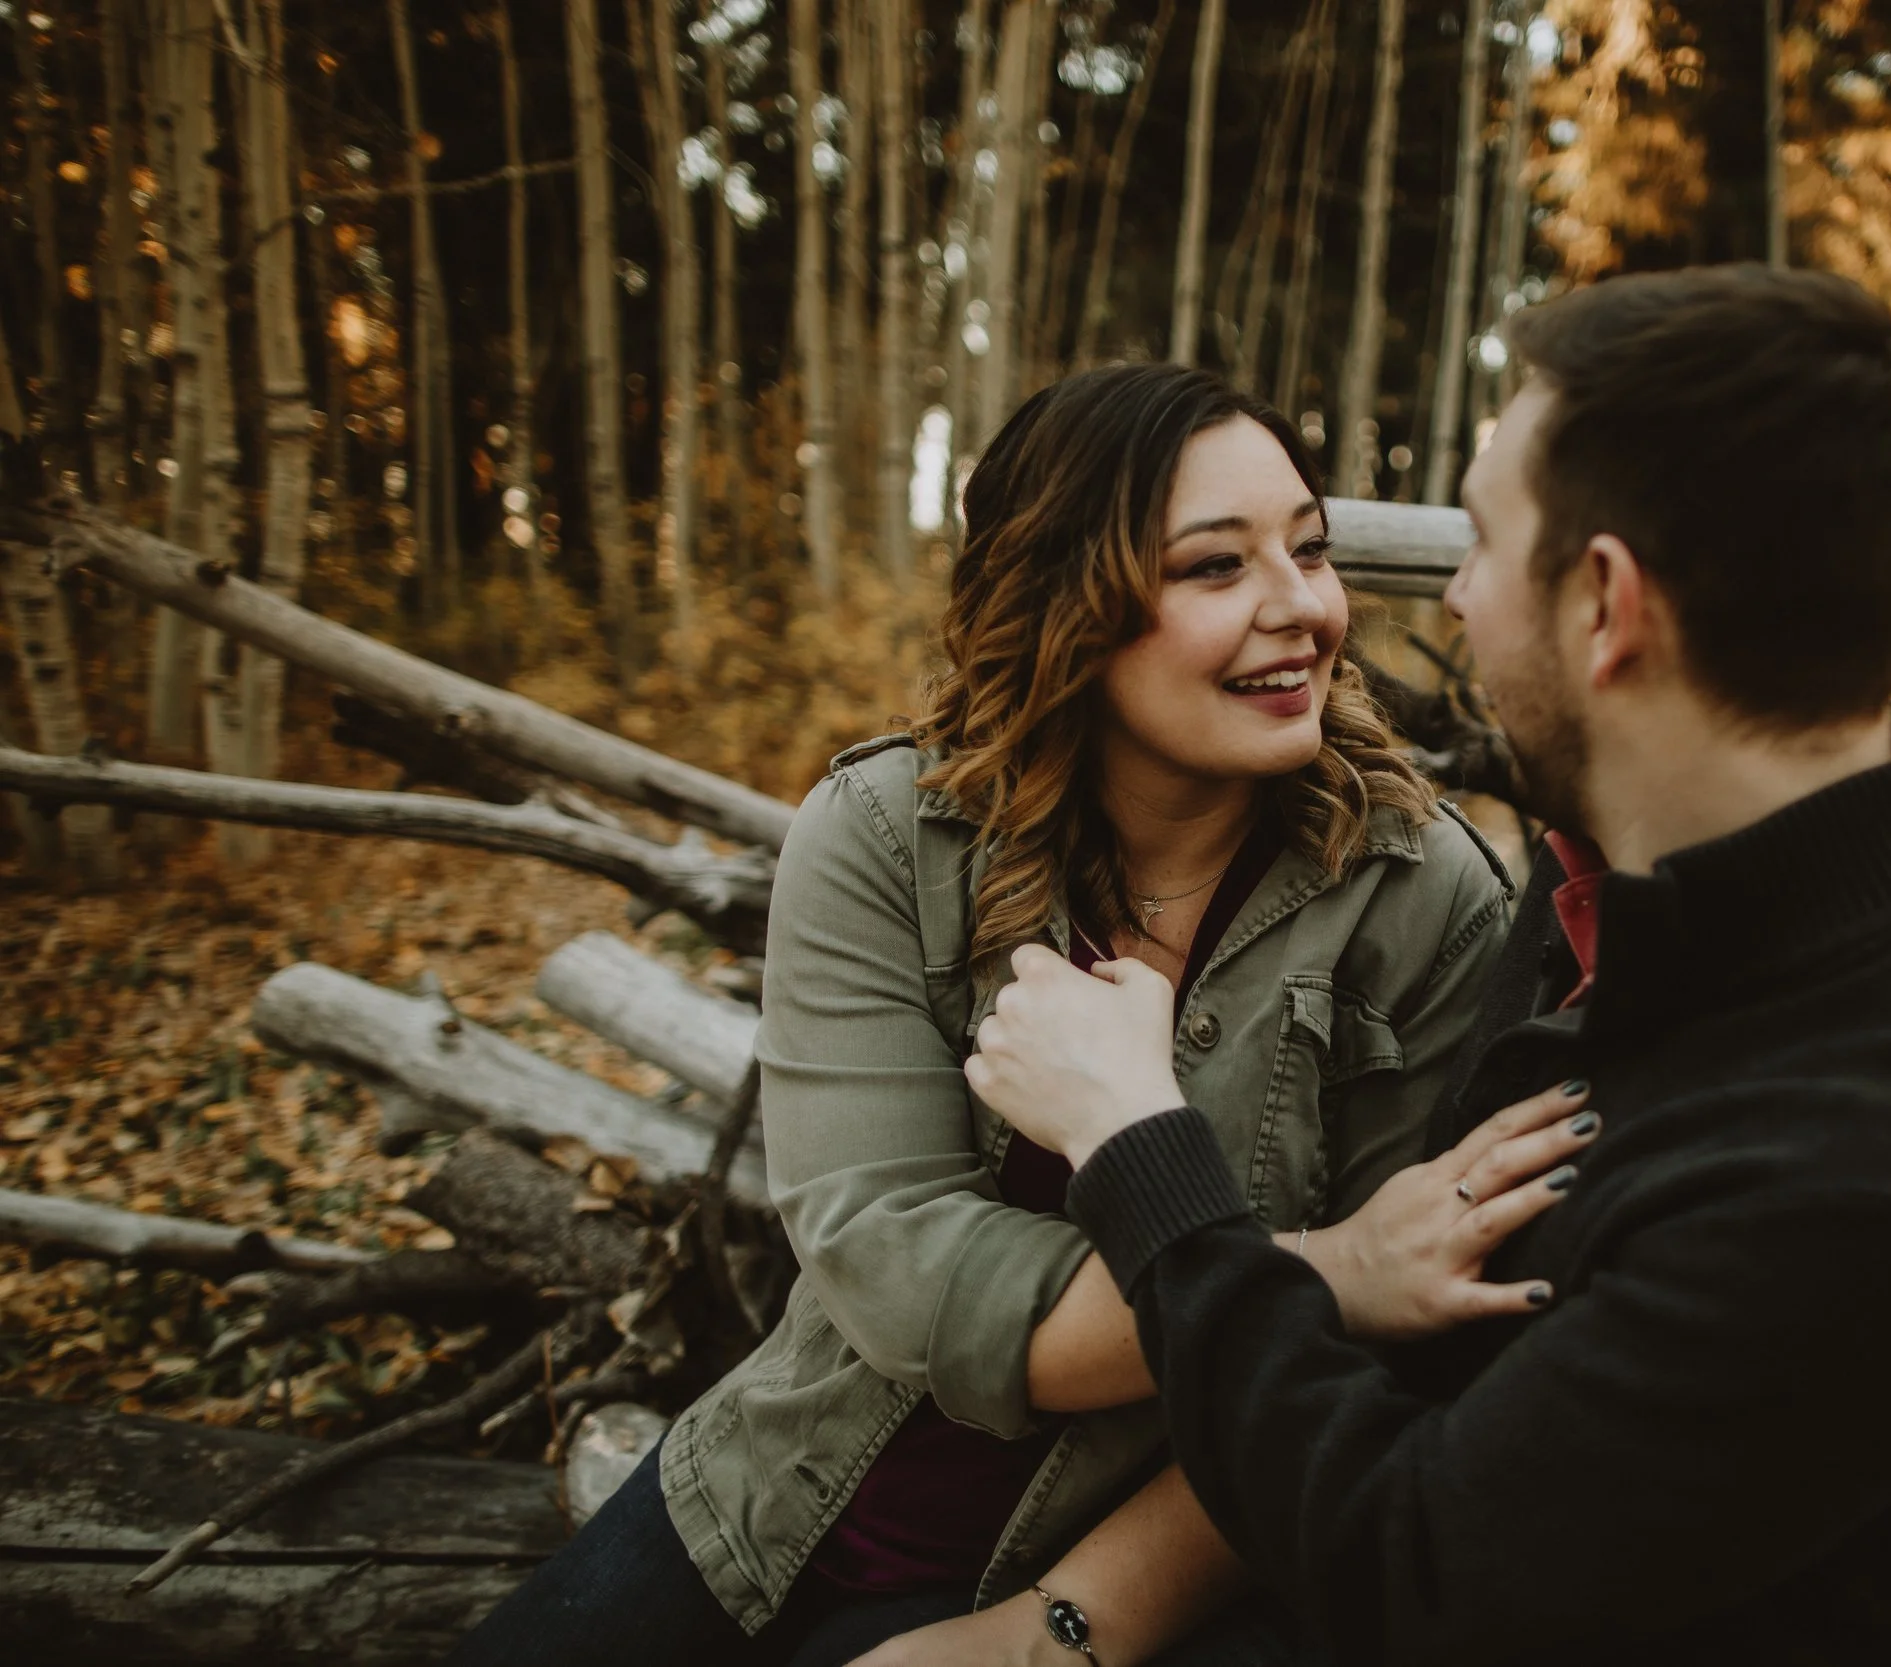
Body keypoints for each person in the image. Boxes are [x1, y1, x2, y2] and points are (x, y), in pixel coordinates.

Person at [966, 266, 1891, 1665]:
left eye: (1486, 542)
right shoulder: (1626, 913)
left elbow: (1418, 1572)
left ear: (1606, 603)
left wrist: (1138, 1140)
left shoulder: (1870, 1158)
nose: (1451, 592)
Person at [443, 363, 1519, 1667]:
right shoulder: (885, 838)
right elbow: (899, 1271)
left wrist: (1052, 1631)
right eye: (1214, 568)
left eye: (1309, 550)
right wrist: (1333, 1270)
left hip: (1163, 1560)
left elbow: (1355, 1392)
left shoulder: (1422, 895)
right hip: (778, 1499)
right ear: (1069, 604)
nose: (1302, 608)